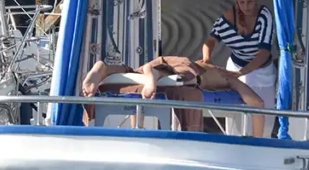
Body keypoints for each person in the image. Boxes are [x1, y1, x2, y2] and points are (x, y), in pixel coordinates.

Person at [80, 56, 266, 136]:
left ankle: (105, 69)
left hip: (167, 61)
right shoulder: (229, 77)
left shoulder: (210, 67)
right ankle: (153, 75)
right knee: (185, 80)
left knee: (133, 73)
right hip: (186, 69)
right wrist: (258, 141)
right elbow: (257, 102)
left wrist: (139, 126)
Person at [202, 0, 278, 136]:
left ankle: (261, 147)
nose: (246, 6)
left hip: (261, 72)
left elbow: (263, 53)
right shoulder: (228, 17)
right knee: (236, 121)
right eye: (242, 2)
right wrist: (207, 60)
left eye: (249, 2)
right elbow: (210, 41)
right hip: (236, 69)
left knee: (264, 117)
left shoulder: (265, 16)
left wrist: (241, 73)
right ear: (236, 0)